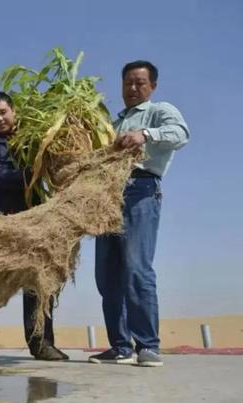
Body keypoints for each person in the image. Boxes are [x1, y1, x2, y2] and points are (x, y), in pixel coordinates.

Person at [90, 61, 189, 367]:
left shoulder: (160, 111)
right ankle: (120, 346)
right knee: (107, 276)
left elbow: (180, 134)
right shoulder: (112, 122)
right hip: (107, 196)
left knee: (136, 268)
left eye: (139, 83)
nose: (132, 88)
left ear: (152, 86)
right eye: (127, 83)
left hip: (140, 190)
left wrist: (144, 134)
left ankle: (147, 345)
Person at [0, 91, 68, 361]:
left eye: (3, 112)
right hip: (0, 224)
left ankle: (41, 343)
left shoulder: (32, 140)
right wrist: (30, 173)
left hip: (35, 221)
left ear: (14, 111)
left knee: (38, 283)